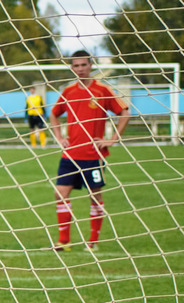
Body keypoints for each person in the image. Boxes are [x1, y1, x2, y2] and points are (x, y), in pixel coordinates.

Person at [48, 50, 131, 252]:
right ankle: (63, 241)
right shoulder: (68, 91)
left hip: (93, 155)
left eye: (83, 65)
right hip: (70, 155)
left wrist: (111, 140)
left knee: (95, 197)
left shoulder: (102, 90)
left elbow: (125, 113)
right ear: (72, 68)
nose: (80, 69)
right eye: (76, 66)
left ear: (91, 65)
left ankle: (92, 241)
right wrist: (59, 137)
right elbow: (54, 114)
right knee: (60, 194)